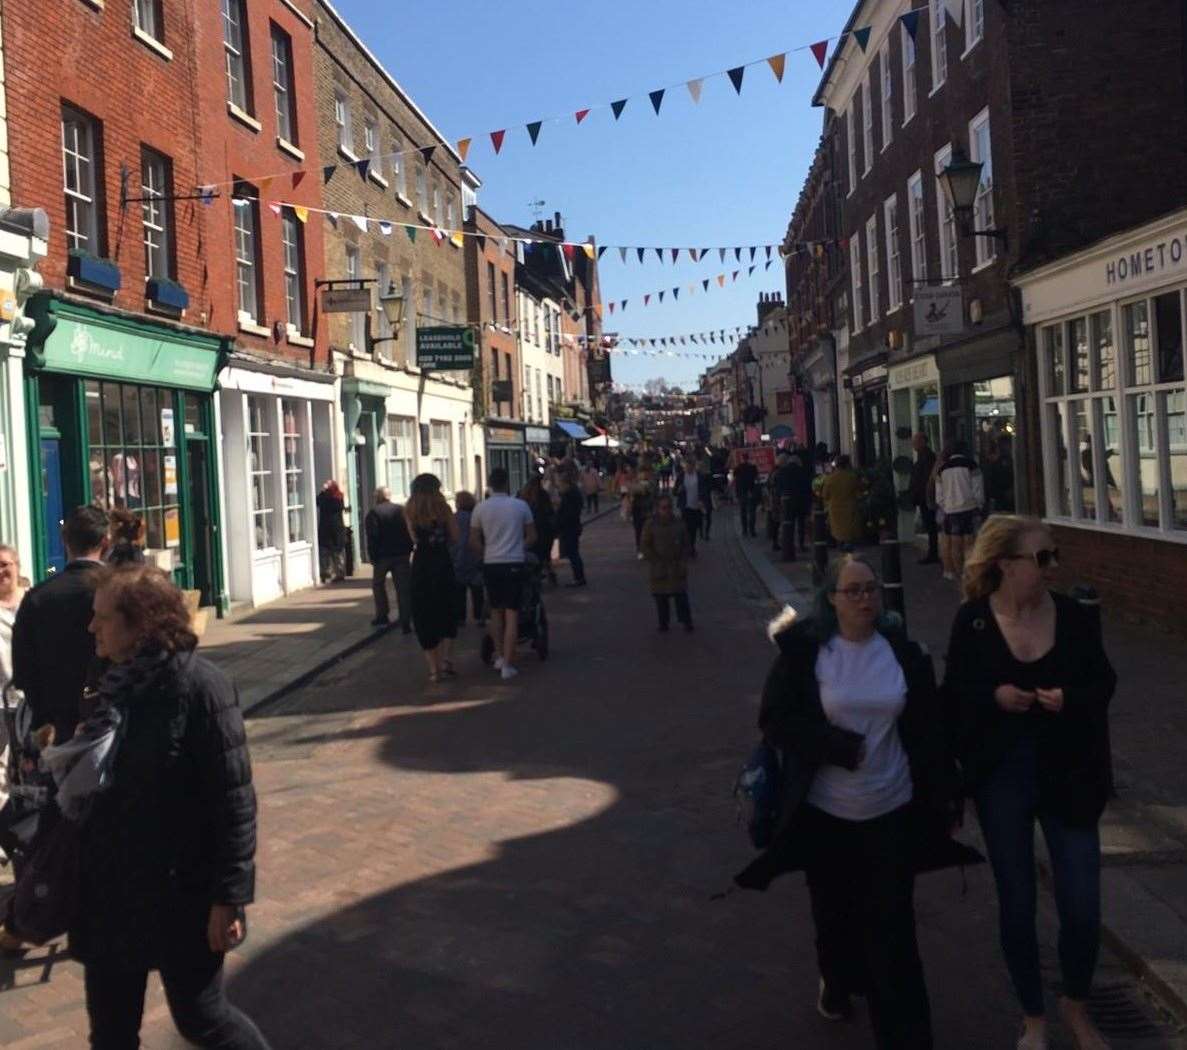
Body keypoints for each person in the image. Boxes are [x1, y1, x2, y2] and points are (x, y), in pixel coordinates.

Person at [736, 555, 967, 1050]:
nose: (865, 598)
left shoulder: (903, 654)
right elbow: (775, 721)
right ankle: (836, 981)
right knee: (835, 916)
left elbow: (929, 730)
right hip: (826, 815)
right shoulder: (807, 655)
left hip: (892, 808)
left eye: (871, 589)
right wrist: (833, 746)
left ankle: (906, 1036)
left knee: (894, 933)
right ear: (831, 600)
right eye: (853, 591)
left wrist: (945, 794)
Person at [76, 565, 269, 1049]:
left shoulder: (201, 688)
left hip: (181, 894)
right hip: (109, 892)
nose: (91, 627)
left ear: (141, 623)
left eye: (102, 617)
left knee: (203, 1019)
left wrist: (229, 897)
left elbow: (234, 801)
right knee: (112, 1033)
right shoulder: (109, 684)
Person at [943, 516, 1115, 1050]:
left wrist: (1071, 699)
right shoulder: (973, 623)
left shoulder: (1072, 615)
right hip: (1003, 776)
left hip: (1069, 771)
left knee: (1083, 902)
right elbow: (954, 698)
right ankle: (1033, 1015)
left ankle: (1076, 1003)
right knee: (1016, 898)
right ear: (1006, 566)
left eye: (1052, 555)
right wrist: (994, 698)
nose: (1052, 567)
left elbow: (1103, 681)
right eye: (1041, 559)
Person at [12, 505, 109, 744]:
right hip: (110, 725)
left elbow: (23, 671)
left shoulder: (38, 597)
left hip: (55, 728)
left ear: (65, 540)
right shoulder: (120, 590)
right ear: (106, 543)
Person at [472, 468, 536, 681]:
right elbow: (532, 536)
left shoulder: (480, 508)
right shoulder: (520, 506)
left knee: (495, 612)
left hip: (492, 564)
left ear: (489, 484)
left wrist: (487, 553)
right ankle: (508, 664)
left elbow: (473, 540)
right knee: (512, 614)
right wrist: (518, 546)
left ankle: (499, 656)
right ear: (507, 483)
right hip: (514, 563)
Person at [404, 475, 459, 682]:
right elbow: (455, 536)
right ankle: (446, 660)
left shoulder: (410, 510)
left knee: (423, 613)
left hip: (421, 565)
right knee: (447, 609)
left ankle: (433, 669)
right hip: (442, 562)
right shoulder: (444, 509)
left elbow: (414, 539)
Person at [640, 494, 693, 632]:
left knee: (681, 596)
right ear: (658, 509)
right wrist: (654, 559)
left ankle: (686, 621)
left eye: (669, 507)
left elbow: (686, 543)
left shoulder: (679, 523)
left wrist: (683, 559)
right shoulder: (650, 525)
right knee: (661, 597)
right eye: (664, 508)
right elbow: (645, 545)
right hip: (659, 566)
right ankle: (663, 623)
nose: (667, 511)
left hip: (676, 565)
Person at [364, 487, 413, 631]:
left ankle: (382, 615)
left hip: (382, 556)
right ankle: (405, 620)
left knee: (378, 585)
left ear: (377, 497)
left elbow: (372, 536)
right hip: (401, 554)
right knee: (403, 588)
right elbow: (410, 530)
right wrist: (409, 549)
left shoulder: (374, 513)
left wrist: (372, 556)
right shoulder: (401, 510)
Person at [0, 545, 26, 821]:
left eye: (5, 564)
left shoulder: (33, 602)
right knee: (0, 768)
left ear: (17, 566)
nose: (1, 571)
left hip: (32, 697)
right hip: (0, 699)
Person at [935, 441, 984, 582]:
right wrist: (979, 505)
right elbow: (978, 489)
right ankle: (970, 572)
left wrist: (947, 506)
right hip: (969, 508)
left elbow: (939, 496)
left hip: (951, 511)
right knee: (970, 543)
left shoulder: (942, 469)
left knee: (955, 543)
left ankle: (959, 573)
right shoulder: (972, 465)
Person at [452, 492, 484, 627]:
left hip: (458, 556)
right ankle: (479, 617)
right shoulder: (476, 517)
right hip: (475, 555)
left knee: (459, 589)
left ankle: (460, 618)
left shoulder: (454, 518)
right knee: (477, 589)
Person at [819, 455, 864, 551]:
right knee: (849, 531)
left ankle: (841, 548)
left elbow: (825, 495)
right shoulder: (852, 477)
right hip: (850, 507)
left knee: (838, 531)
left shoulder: (830, 479)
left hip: (835, 508)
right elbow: (860, 491)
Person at [520, 475, 558, 586]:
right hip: (543, 530)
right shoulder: (542, 495)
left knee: (538, 555)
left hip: (535, 529)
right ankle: (546, 575)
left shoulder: (525, 495)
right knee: (544, 555)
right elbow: (549, 511)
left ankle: (538, 577)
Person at [910, 434, 940, 566]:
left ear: (923, 442)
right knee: (929, 525)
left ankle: (934, 553)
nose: (913, 445)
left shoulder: (927, 457)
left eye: (916, 442)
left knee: (931, 525)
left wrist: (926, 495)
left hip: (926, 497)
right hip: (924, 497)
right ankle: (933, 552)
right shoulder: (924, 456)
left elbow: (927, 479)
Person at [555, 475, 587, 588]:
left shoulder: (569, 496)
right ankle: (579, 577)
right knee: (573, 553)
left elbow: (568, 514)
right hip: (572, 527)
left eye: (560, 485)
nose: (559, 487)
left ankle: (579, 578)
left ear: (566, 484)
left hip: (570, 528)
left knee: (573, 553)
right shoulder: (572, 494)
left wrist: (559, 521)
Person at [673, 457, 706, 557]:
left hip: (696, 506)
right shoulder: (681, 476)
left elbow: (703, 490)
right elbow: (674, 492)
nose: (688, 468)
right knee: (685, 528)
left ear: (694, 466)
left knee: (693, 528)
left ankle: (691, 546)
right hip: (685, 506)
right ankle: (687, 548)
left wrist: (702, 500)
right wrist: (678, 490)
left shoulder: (699, 476)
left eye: (691, 466)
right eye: (687, 466)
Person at [316, 481, 347, 583]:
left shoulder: (337, 498)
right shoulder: (325, 497)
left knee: (337, 552)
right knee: (325, 551)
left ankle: (339, 573)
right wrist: (323, 492)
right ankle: (326, 572)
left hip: (336, 529)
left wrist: (323, 492)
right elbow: (318, 501)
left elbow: (332, 504)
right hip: (326, 529)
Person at [630, 468, 656, 559]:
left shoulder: (651, 483)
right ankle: (640, 549)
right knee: (638, 531)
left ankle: (648, 549)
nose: (643, 475)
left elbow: (653, 495)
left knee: (649, 531)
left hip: (647, 511)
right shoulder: (634, 483)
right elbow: (628, 494)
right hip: (637, 511)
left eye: (645, 473)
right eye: (641, 473)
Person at [733, 453, 760, 537]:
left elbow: (735, 479)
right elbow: (757, 478)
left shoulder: (738, 468)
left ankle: (744, 531)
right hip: (751, 491)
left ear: (742, 458)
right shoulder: (753, 467)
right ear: (748, 458)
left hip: (741, 492)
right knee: (752, 512)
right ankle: (752, 531)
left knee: (743, 512)